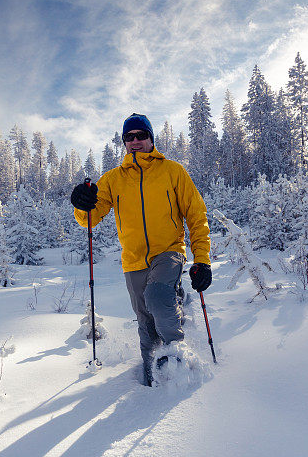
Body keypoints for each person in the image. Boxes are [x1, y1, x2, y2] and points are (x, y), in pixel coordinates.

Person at [71, 113, 212, 386]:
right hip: (133, 260)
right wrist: (81, 203)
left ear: (151, 139)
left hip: (169, 251)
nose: (135, 141)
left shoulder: (173, 171)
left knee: (158, 296)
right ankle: (151, 382)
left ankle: (178, 354)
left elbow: (196, 215)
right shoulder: (113, 179)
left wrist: (202, 260)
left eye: (141, 135)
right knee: (146, 325)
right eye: (129, 137)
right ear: (124, 143)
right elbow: (89, 219)